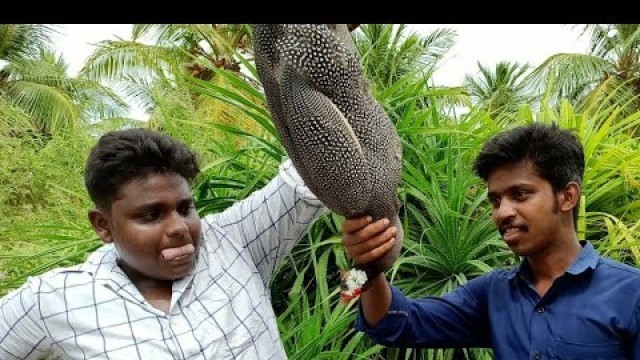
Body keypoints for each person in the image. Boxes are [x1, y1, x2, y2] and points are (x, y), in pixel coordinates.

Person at [0, 128, 327, 359]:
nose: (179, 228)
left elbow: (317, 164)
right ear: (104, 226)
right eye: (151, 215)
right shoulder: (55, 302)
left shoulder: (236, 240)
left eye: (185, 208)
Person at [342, 122, 640, 359]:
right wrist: (362, 265)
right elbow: (393, 325)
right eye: (495, 201)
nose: (502, 213)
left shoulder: (631, 294)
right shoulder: (492, 293)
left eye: (520, 194)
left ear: (567, 196)